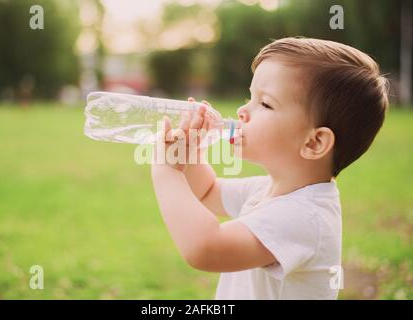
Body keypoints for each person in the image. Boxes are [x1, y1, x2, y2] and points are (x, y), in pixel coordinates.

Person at [151, 37, 389, 299]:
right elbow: (207, 192)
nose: (242, 111)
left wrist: (166, 172)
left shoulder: (305, 217)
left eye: (265, 103)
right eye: (249, 97)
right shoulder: (267, 188)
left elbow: (206, 248)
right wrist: (188, 155)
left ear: (314, 142)